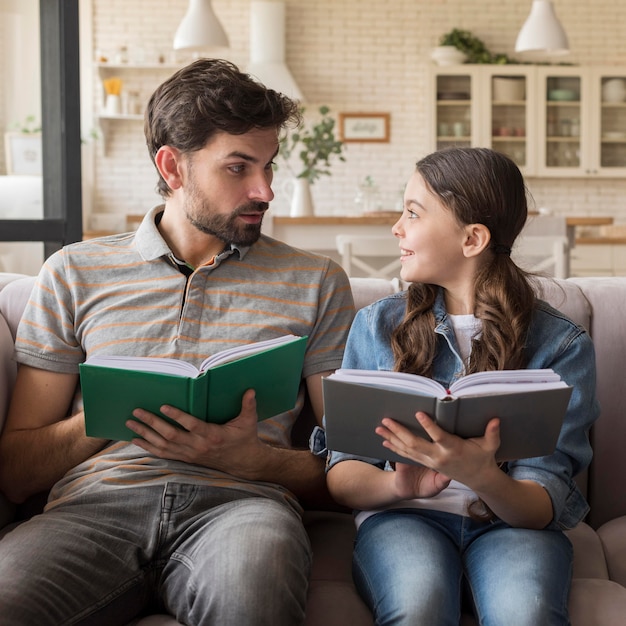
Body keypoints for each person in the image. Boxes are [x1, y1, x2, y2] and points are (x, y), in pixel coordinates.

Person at [0, 59, 355, 625]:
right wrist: (113, 412)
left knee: (253, 596)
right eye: (238, 167)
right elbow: (16, 472)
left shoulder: (316, 281)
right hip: (93, 508)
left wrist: (251, 459)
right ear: (172, 166)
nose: (264, 190)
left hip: (243, 508)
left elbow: (349, 471)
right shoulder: (73, 271)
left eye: (267, 166)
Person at [325, 147, 599, 626]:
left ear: (472, 238)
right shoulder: (375, 327)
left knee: (526, 614)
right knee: (419, 604)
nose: (397, 227)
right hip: (403, 518)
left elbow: (543, 501)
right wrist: (399, 483)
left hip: (511, 523)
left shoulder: (561, 344)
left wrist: (484, 476)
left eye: (413, 212)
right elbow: (343, 474)